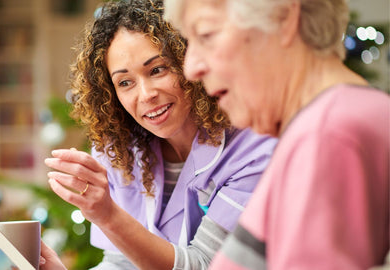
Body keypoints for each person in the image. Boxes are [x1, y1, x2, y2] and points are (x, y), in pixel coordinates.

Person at [41, 0, 277, 269]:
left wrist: (108, 216)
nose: (146, 95)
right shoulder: (120, 152)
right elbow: (122, 263)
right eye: (125, 82)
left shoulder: (253, 148)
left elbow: (206, 265)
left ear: (189, 60)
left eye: (157, 69)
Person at [164, 0, 390, 269]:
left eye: (207, 35)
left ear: (283, 18)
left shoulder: (326, 134)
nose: (191, 68)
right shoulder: (333, 121)